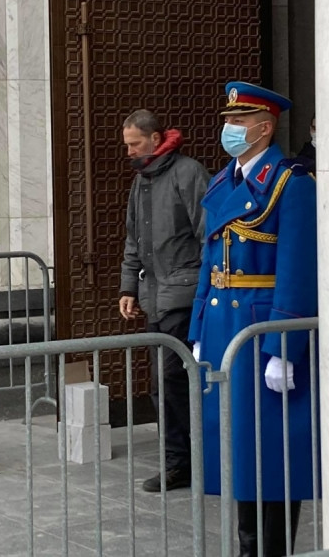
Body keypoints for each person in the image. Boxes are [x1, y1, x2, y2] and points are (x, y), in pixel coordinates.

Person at [190, 83, 317, 557]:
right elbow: (210, 262)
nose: (230, 129)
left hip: (263, 334)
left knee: (274, 452)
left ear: (265, 127)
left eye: (239, 121)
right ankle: (248, 546)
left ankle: (271, 549)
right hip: (225, 332)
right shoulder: (224, 181)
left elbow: (298, 270)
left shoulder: (292, 183)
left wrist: (283, 349)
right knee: (239, 447)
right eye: (228, 120)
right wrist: (199, 328)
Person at [119, 109, 210, 492]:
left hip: (183, 295)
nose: (129, 152)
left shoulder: (188, 174)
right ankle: (179, 459)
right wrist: (127, 287)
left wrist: (207, 294)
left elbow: (209, 236)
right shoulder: (142, 180)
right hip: (155, 294)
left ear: (155, 139)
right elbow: (133, 242)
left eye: (134, 144)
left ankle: (184, 462)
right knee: (163, 383)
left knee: (171, 380)